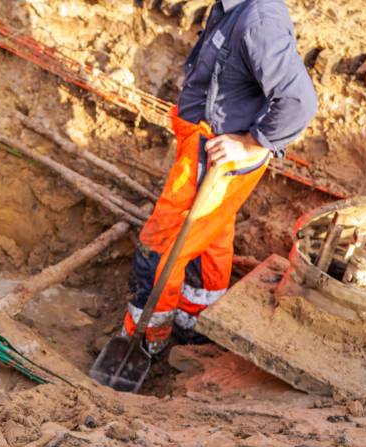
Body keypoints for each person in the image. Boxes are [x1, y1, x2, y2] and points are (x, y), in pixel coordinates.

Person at [122, 0, 317, 355]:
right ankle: (195, 319)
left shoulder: (258, 21)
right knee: (210, 237)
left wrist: (252, 142)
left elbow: (298, 102)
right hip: (210, 148)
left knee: (164, 244)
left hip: (215, 157)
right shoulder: (237, 6)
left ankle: (145, 340)